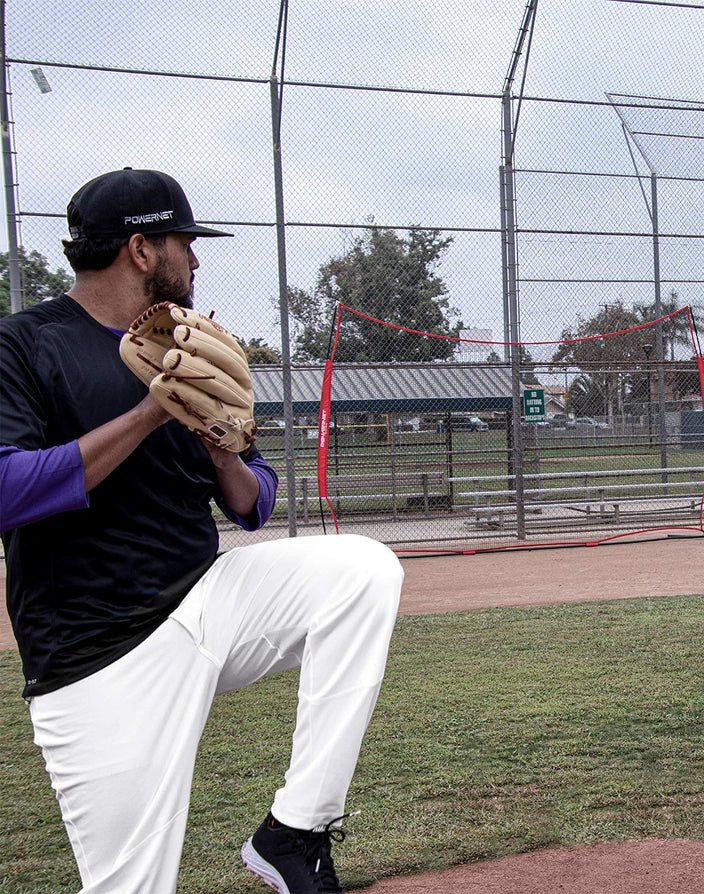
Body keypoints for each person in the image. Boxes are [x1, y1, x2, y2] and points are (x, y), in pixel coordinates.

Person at [0, 168, 404, 893]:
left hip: (205, 601)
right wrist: (152, 412)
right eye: (185, 242)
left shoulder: (190, 345)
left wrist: (222, 444)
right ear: (141, 250)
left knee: (363, 572)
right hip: (99, 653)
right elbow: (6, 491)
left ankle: (295, 833)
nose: (197, 260)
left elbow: (255, 504)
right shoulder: (25, 345)